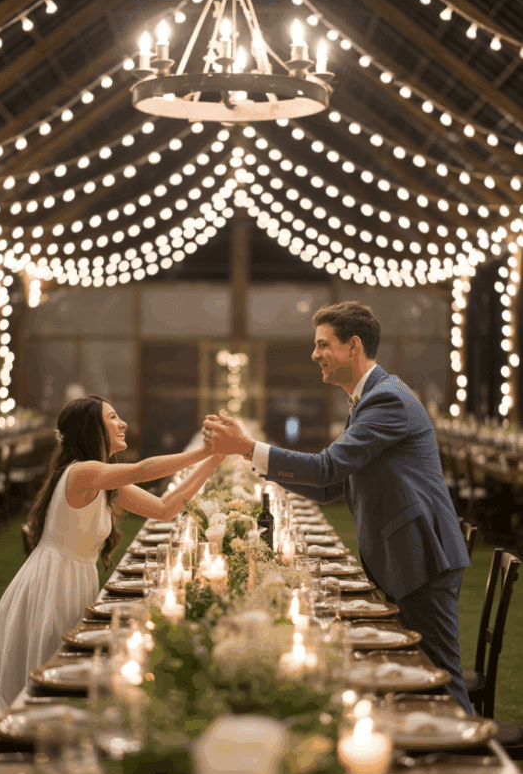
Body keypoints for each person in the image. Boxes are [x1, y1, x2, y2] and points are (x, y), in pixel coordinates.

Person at [203, 302, 473, 713]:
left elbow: (328, 467)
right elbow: (333, 485)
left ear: (354, 346)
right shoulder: (369, 399)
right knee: (423, 673)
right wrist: (254, 461)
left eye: (322, 345)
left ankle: (469, 762)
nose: (315, 355)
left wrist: (247, 447)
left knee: (437, 676)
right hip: (406, 552)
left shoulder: (388, 401)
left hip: (421, 556)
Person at [0, 394, 224, 717]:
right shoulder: (82, 473)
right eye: (112, 418)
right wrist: (203, 450)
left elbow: (165, 509)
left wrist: (214, 460)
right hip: (53, 587)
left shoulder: (102, 479)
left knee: (68, 676)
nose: (122, 424)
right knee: (55, 681)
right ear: (91, 429)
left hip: (72, 580)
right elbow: (143, 470)